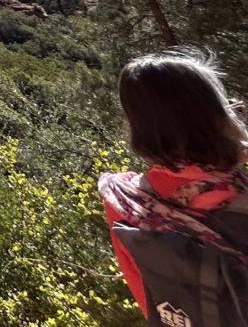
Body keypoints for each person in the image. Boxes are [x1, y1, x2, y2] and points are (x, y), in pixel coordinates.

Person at [99, 50, 248, 325]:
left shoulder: (124, 198)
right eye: (226, 106)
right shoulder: (237, 199)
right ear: (215, 121)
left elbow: (148, 299)